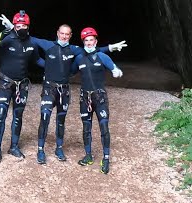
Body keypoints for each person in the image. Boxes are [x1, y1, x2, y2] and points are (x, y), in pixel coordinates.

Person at [33, 25, 127, 165]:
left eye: (67, 34)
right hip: (49, 88)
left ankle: (59, 148)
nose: (64, 36)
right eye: (62, 33)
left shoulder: (74, 50)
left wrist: (110, 48)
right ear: (57, 33)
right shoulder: (48, 45)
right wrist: (12, 30)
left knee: (61, 120)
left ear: (70, 36)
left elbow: (92, 51)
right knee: (45, 116)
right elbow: (28, 39)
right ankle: (40, 150)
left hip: (64, 90)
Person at [0, 10, 56, 163]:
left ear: (28, 26)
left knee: (18, 116)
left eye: (24, 25)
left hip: (21, 86)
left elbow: (37, 61)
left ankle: (14, 146)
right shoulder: (7, 39)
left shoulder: (31, 43)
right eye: (18, 25)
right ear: (14, 26)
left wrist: (54, 67)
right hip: (5, 83)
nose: (21, 27)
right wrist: (4, 33)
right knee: (1, 114)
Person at [69, 27, 124, 174]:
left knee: (104, 127)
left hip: (99, 97)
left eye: (91, 40)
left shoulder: (102, 56)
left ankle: (106, 158)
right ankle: (88, 155)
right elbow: (70, 72)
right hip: (85, 98)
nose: (88, 43)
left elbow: (114, 68)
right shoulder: (79, 58)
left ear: (96, 41)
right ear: (83, 42)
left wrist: (116, 70)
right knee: (86, 128)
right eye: (86, 40)